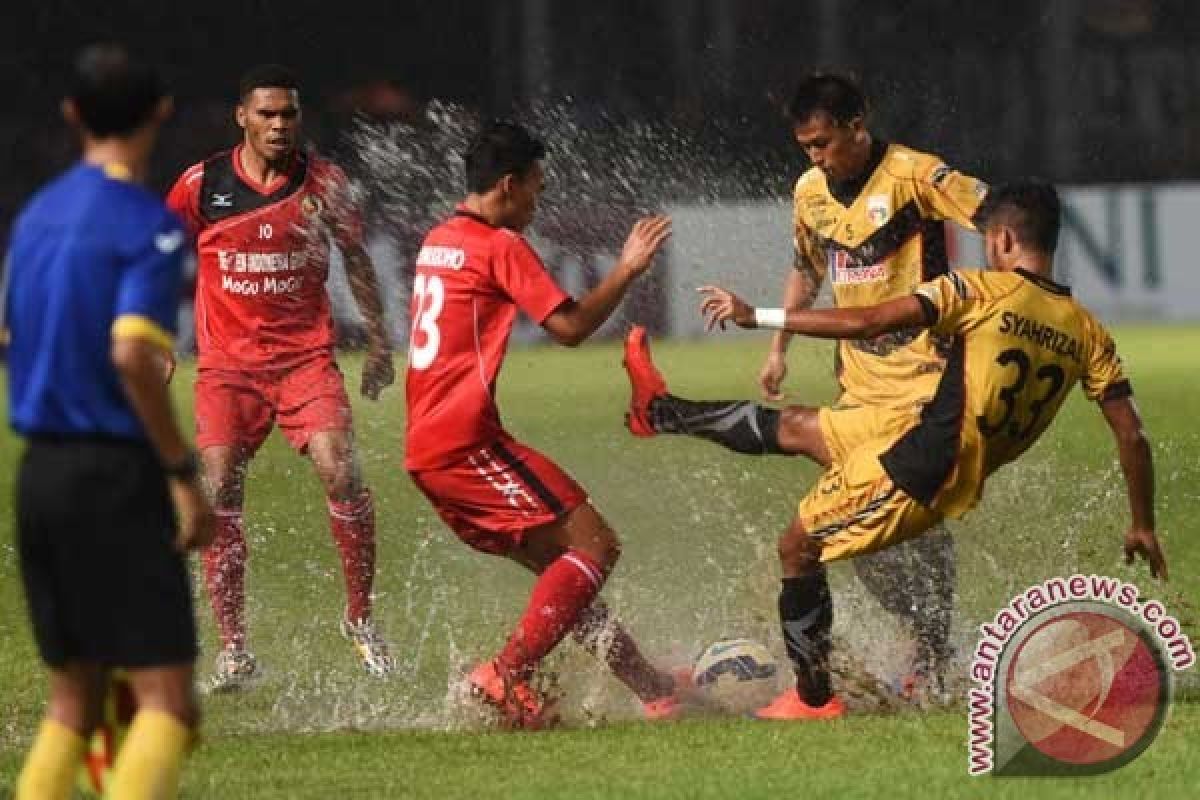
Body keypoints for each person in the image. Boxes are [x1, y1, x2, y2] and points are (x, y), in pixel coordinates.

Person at [647, 179, 1166, 720]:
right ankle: (926, 663)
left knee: (797, 549)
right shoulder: (1088, 331)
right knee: (803, 431)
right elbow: (1132, 433)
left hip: (921, 467)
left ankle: (814, 700)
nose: (987, 248)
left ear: (1004, 240)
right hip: (932, 455)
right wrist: (1142, 524)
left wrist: (759, 317)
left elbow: (868, 321)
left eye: (988, 239)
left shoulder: (979, 291)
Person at [627, 73, 990, 696]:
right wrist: (777, 349)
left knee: (849, 511)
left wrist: (1007, 299)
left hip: (923, 391)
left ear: (859, 123)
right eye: (806, 148)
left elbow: (1002, 219)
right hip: (862, 388)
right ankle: (930, 658)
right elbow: (807, 268)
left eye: (824, 142)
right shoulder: (810, 192)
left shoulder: (914, 176)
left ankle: (865, 678)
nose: (817, 157)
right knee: (881, 534)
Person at [405, 121, 685, 728]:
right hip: (464, 443)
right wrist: (627, 269)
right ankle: (504, 676)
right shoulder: (497, 245)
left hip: (432, 445)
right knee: (596, 547)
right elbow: (571, 328)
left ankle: (655, 690)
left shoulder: (439, 237)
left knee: (569, 577)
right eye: (535, 187)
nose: (538, 200)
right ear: (507, 185)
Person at [4, 44, 214, 799]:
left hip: (40, 475)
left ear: (71, 116)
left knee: (75, 700)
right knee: (165, 701)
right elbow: (133, 355)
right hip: (113, 476)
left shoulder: (36, 216)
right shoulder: (147, 227)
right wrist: (180, 473)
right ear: (161, 113)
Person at [165, 64, 395, 689]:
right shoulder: (201, 184)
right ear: (241, 116)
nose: (278, 125)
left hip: (304, 361)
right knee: (218, 490)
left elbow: (355, 261)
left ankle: (359, 618)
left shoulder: (325, 182)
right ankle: (234, 649)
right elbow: (157, 259)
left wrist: (377, 339)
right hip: (228, 369)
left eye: (288, 114)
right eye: (266, 114)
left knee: (339, 468)